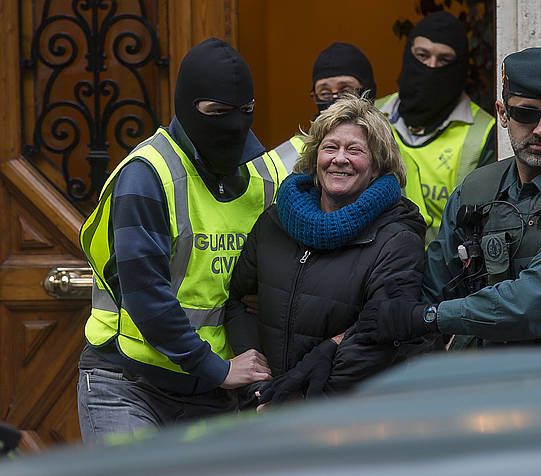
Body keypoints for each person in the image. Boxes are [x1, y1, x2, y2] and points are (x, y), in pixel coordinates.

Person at [357, 47, 541, 350]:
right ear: (503, 113)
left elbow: (538, 300)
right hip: (487, 384)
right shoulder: (476, 190)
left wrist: (429, 317)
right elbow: (431, 285)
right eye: (526, 114)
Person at [77, 38, 285, 441]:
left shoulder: (268, 176)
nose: (234, 125)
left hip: (214, 393)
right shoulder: (148, 173)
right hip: (127, 383)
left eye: (245, 113)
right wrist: (216, 368)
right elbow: (145, 294)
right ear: (188, 107)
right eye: (217, 113)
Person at [226, 94, 426, 408]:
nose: (340, 158)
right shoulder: (274, 223)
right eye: (330, 147)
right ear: (315, 158)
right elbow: (238, 302)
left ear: (376, 167)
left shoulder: (397, 240)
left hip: (344, 419)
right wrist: (257, 383)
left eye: (355, 150)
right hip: (266, 408)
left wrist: (301, 399)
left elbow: (376, 340)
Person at [375, 11, 496, 244]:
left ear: (459, 66)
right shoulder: (372, 116)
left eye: (444, 60)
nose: (431, 67)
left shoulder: (485, 133)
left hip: (445, 275)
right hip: (375, 270)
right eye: (422, 55)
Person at [268, 42, 377, 174]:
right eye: (324, 92)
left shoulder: (392, 145)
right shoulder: (291, 155)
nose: (335, 100)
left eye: (346, 90)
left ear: (368, 91)